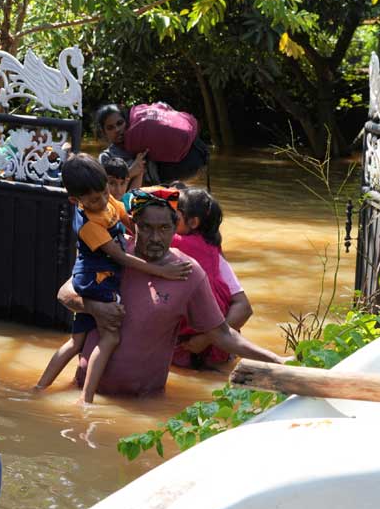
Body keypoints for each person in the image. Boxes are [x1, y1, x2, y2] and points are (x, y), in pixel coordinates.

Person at [58, 190, 287, 397]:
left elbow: (223, 334)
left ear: (175, 227)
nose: (155, 238)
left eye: (164, 229)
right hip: (82, 394)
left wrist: (277, 361)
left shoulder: (189, 273)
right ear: (134, 224)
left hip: (143, 404)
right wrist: (94, 306)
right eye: (146, 227)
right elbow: (64, 293)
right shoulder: (113, 253)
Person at [35, 155, 192, 404]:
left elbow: (127, 219)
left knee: (76, 341)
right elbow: (121, 257)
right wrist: (162, 271)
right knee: (111, 338)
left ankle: (39, 387)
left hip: (88, 275)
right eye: (93, 199)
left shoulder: (105, 199)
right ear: (75, 200)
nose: (101, 200)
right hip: (97, 279)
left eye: (104, 191)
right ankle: (86, 399)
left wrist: (145, 231)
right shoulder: (88, 225)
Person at [171, 187, 254, 369]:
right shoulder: (213, 248)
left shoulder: (177, 242)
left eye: (174, 215)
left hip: (192, 343)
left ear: (193, 222)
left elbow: (244, 308)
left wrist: (205, 338)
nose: (169, 220)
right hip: (222, 348)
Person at [95, 104, 156, 189]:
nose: (117, 129)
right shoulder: (106, 157)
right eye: (110, 128)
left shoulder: (144, 146)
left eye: (120, 123)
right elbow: (106, 192)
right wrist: (130, 172)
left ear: (127, 122)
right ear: (104, 132)